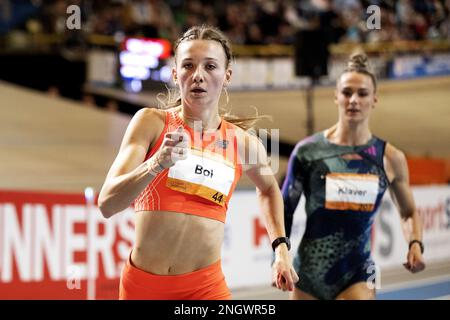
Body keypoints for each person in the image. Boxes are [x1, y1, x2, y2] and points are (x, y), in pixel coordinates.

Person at [98, 25, 298, 300]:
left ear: (227, 76)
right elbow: (107, 203)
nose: (198, 76)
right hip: (144, 287)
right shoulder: (151, 123)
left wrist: (281, 248)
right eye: (188, 65)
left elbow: (268, 189)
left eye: (210, 66)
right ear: (174, 73)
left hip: (205, 289)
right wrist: (156, 163)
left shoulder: (243, 143)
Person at [280, 53, 426, 300]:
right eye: (347, 93)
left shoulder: (390, 159)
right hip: (307, 273)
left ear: (374, 99)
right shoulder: (307, 152)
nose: (354, 100)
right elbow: (284, 209)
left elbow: (409, 212)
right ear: (336, 96)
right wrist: (280, 255)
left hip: (358, 272)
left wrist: (415, 243)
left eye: (362, 93)